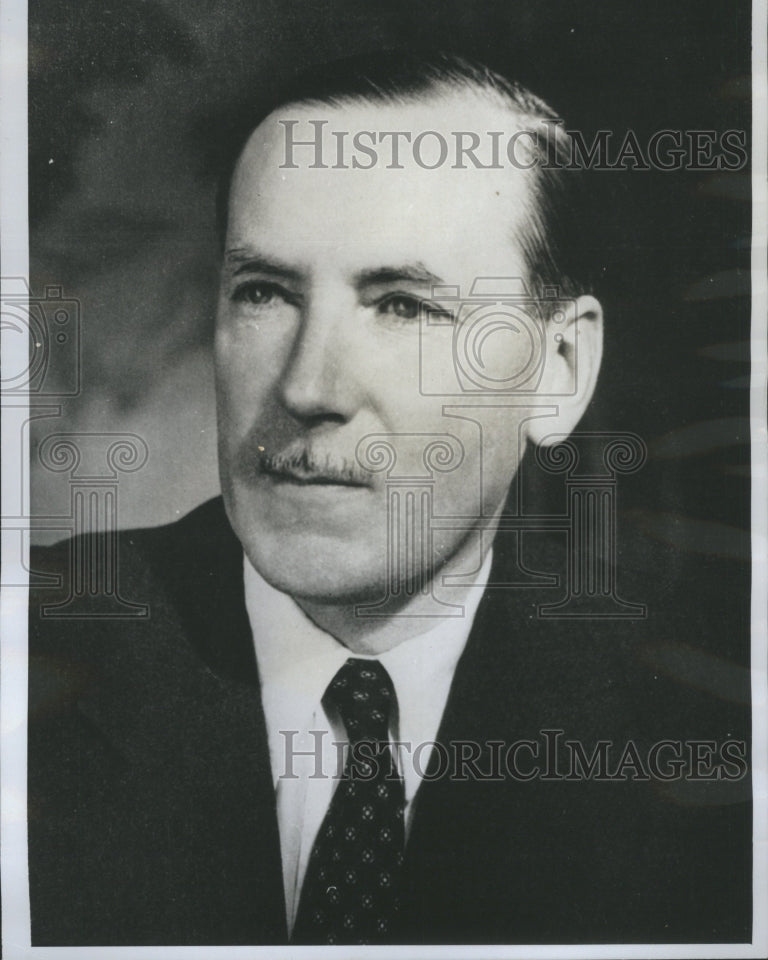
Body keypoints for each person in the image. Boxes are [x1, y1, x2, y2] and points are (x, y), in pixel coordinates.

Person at [28, 52, 751, 946]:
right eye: (264, 293)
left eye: (404, 306)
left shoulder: (713, 729)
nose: (308, 386)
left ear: (559, 374)